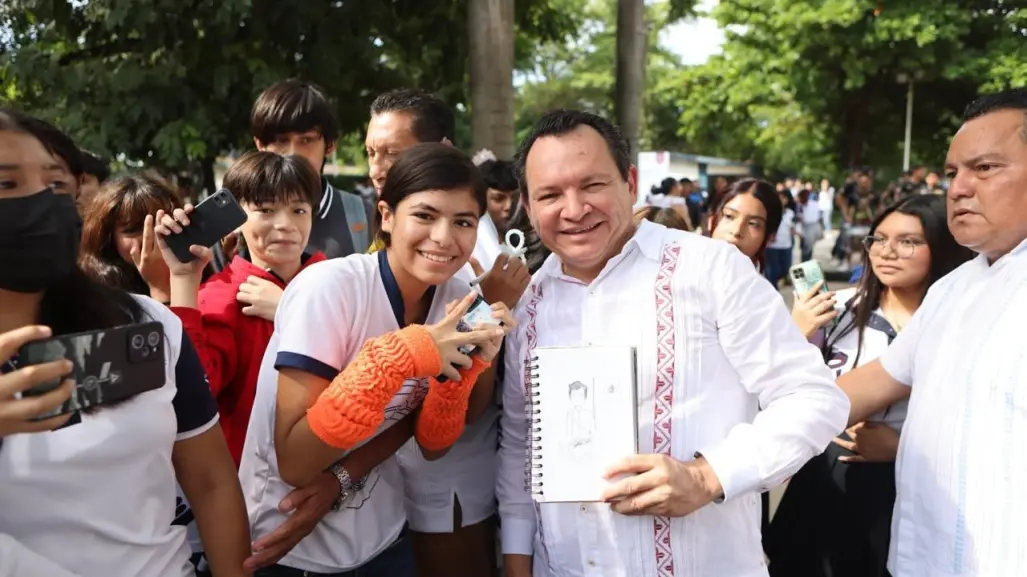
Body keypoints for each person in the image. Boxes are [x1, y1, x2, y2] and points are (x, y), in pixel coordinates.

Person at [497, 110, 849, 577]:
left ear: (630, 181)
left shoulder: (710, 269)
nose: (574, 208)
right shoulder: (529, 304)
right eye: (550, 194)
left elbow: (813, 397)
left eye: (593, 185)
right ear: (527, 203)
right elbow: (521, 445)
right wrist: (519, 566)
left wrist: (707, 477)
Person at [239, 143, 513, 577]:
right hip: (288, 543)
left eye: (462, 221)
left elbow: (433, 440)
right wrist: (403, 356)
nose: (443, 237)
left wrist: (472, 367)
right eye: (424, 216)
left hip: (384, 536)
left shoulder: (459, 295)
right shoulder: (328, 289)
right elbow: (294, 461)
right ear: (386, 216)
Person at [0, 108, 250, 576]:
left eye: (56, 184)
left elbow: (211, 481)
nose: (38, 199)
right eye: (7, 184)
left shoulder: (146, 323)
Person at [838, 88, 1027, 576]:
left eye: (984, 168)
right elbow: (865, 386)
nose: (959, 188)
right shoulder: (952, 290)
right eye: (951, 173)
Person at [767, 195, 973, 576]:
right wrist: (797, 333)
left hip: (917, 489)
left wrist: (900, 448)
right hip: (826, 484)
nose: (887, 251)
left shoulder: (963, 326)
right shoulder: (837, 311)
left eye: (908, 241)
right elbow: (781, 393)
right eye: (878, 239)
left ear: (942, 247)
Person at [154, 151, 327, 465]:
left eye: (299, 209)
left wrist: (287, 312)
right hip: (254, 484)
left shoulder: (338, 282)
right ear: (237, 219)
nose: (285, 224)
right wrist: (183, 281)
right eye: (265, 210)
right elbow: (195, 396)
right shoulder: (220, 297)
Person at [245, 79, 371, 262]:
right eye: (281, 140)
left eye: (306, 140)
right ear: (260, 145)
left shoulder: (363, 218)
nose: (292, 154)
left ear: (330, 145)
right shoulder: (235, 220)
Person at [78, 172, 182, 302]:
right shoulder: (95, 296)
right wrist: (160, 288)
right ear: (108, 240)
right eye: (134, 229)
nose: (154, 235)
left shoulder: (194, 269)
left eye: (161, 222)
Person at [707, 178, 784, 271]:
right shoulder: (686, 273)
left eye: (753, 224)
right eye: (729, 216)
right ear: (711, 221)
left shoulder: (761, 285)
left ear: (770, 236)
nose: (737, 231)